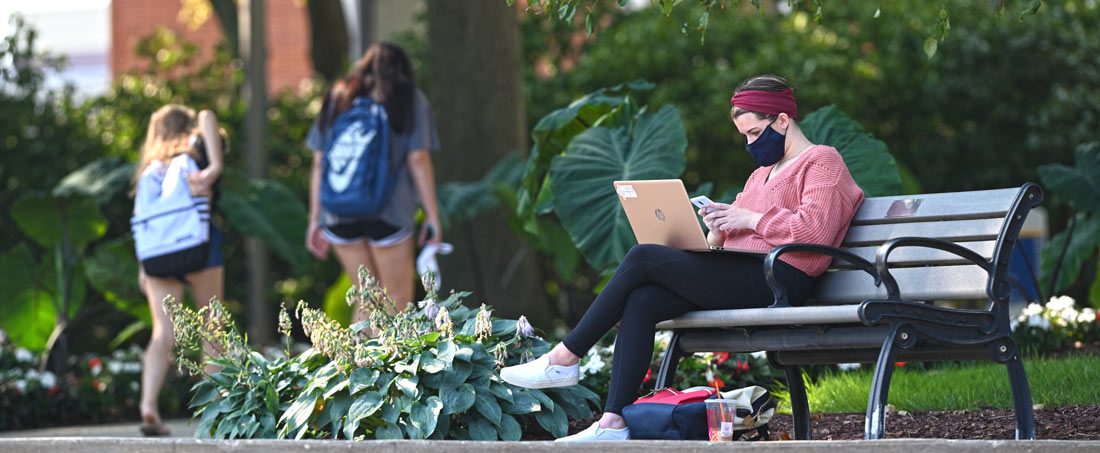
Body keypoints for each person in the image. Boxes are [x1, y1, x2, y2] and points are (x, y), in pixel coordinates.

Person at [500, 74, 865, 441]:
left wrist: (749, 219)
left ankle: (566, 356)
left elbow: (815, 231)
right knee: (643, 300)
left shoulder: (821, 161)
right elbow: (736, 235)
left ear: (782, 120)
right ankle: (613, 424)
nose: (751, 144)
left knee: (643, 257)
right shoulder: (760, 176)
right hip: (745, 273)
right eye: (745, 137)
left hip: (781, 279)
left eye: (755, 133)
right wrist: (717, 231)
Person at [305, 42, 442, 322]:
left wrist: (315, 219)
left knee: (368, 297)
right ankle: (383, 366)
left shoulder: (338, 96)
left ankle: (355, 366)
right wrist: (432, 216)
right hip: (389, 212)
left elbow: (319, 162)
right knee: (396, 297)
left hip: (338, 213)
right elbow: (417, 159)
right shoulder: (409, 99)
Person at [134, 105, 226, 436]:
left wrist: (143, 266)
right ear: (187, 127)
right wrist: (214, 167)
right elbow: (208, 115)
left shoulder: (150, 171)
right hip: (199, 246)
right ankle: (214, 410)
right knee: (211, 326)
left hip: (158, 256)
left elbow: (142, 222)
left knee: (163, 333)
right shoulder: (198, 154)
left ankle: (148, 406)